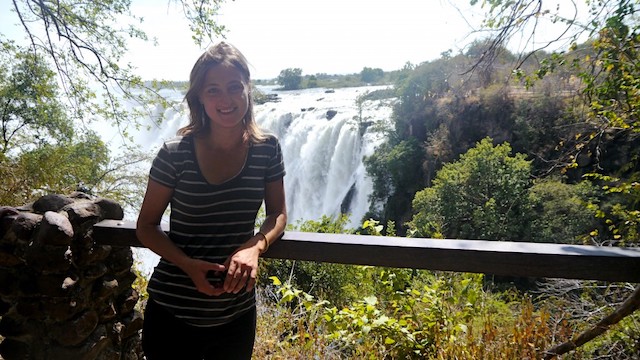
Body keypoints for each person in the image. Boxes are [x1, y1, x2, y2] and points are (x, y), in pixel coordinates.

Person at [136, 42, 287, 360]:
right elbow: (146, 226)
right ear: (199, 98)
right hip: (171, 312)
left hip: (236, 314)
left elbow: (278, 214)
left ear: (248, 90)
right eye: (213, 90)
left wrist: (254, 247)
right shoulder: (175, 154)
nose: (226, 99)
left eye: (235, 87)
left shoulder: (267, 148)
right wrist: (188, 265)